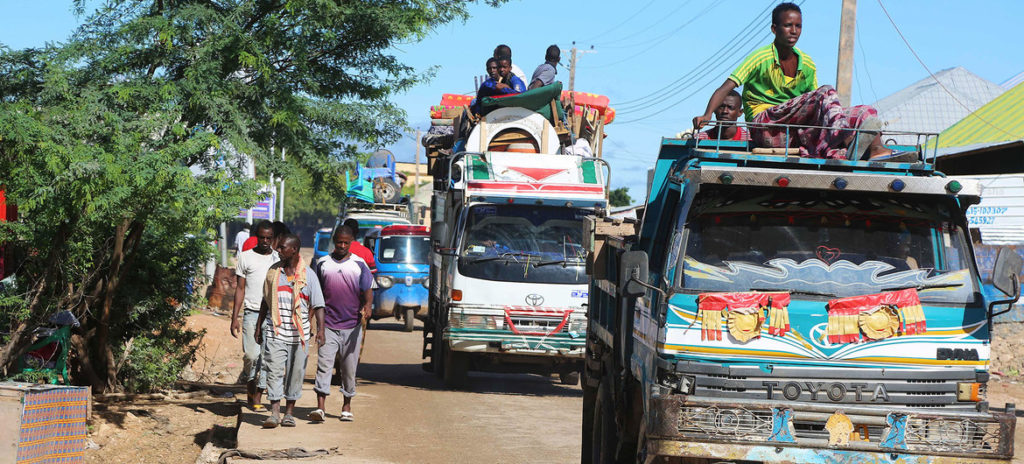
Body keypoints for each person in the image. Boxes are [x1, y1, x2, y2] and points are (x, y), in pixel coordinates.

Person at [692, 3, 891, 160]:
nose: (793, 31)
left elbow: (817, 108)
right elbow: (724, 88)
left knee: (864, 111)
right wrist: (707, 114)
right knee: (826, 92)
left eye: (798, 26)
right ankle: (843, 138)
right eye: (788, 25)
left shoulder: (807, 64)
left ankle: (877, 150)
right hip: (765, 126)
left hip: (791, 133)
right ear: (774, 29)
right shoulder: (760, 58)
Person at [255, 234, 325, 428]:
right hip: (275, 331)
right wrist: (258, 327)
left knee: (295, 375)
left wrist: (321, 331)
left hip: (299, 335)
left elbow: (318, 305)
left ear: (294, 250)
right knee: (274, 372)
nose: (278, 250)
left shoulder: (308, 275)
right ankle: (275, 412)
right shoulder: (273, 272)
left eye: (282, 247)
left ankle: (289, 413)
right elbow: (265, 301)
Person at [309, 225, 373, 423]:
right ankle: (320, 408)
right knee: (324, 366)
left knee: (348, 368)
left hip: (352, 325)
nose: (342, 246)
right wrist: (310, 318)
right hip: (327, 325)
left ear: (351, 242)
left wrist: (368, 306)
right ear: (334, 241)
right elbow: (315, 293)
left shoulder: (359, 264)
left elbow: (368, 289)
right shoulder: (322, 264)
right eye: (339, 242)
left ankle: (346, 405)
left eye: (346, 242)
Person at [231, 220, 276, 412]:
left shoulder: (277, 258)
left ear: (273, 239)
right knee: (252, 355)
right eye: (262, 237)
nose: (265, 241)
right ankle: (250, 390)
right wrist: (235, 317)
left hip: (272, 316)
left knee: (267, 358)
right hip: (251, 313)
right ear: (256, 237)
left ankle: (257, 397)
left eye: (269, 238)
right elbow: (240, 288)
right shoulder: (245, 257)